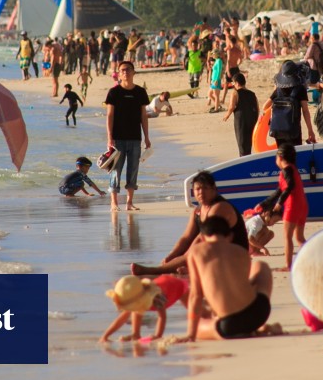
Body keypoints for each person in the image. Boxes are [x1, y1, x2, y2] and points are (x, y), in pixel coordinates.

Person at [130, 171, 248, 276]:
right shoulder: (197, 211)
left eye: (205, 188)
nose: (201, 192)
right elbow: (186, 238)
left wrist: (185, 258)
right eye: (198, 189)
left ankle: (155, 271)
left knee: (198, 249)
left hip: (233, 256)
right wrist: (172, 256)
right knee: (187, 251)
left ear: (214, 189)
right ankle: (189, 267)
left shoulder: (220, 207)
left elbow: (201, 239)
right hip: (215, 253)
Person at [181, 215, 275, 341]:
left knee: (199, 327)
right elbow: (241, 285)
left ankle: (217, 321)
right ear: (230, 236)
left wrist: (191, 335)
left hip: (229, 325)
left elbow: (195, 295)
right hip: (258, 313)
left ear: (202, 238)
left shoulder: (197, 251)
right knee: (261, 265)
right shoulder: (241, 252)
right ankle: (258, 327)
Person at [104, 61, 151, 212]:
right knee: (115, 170)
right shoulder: (114, 92)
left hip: (135, 138)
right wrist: (109, 138)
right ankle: (114, 203)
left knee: (133, 170)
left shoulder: (140, 92)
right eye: (122, 70)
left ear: (133, 72)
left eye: (128, 70)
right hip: (118, 138)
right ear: (118, 73)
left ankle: (129, 203)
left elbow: (144, 116)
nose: (125, 72)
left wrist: (147, 136)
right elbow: (109, 116)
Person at [100, 274, 189, 343]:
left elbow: (162, 317)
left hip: (177, 286)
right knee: (136, 310)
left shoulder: (156, 295)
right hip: (164, 281)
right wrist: (105, 336)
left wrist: (157, 335)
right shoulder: (136, 296)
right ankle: (136, 334)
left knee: (194, 309)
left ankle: (202, 319)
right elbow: (122, 319)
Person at [262, 60, 316, 148]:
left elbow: (265, 107)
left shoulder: (278, 90)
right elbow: (305, 111)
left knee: (282, 155)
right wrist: (310, 130)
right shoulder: (300, 90)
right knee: (295, 156)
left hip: (278, 130)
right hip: (293, 130)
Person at [271, 144, 307, 271]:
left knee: (287, 237)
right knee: (299, 238)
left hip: (293, 206)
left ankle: (288, 266)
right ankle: (315, 256)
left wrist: (279, 203)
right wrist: (264, 204)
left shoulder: (286, 171)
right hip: (302, 205)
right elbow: (279, 190)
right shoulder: (292, 169)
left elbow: (289, 187)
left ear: (280, 157)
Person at [223, 73, 259, 156]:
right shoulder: (252, 94)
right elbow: (257, 107)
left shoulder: (235, 93)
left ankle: (243, 160)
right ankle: (248, 158)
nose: (232, 84)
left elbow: (232, 106)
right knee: (248, 143)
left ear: (237, 83)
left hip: (241, 120)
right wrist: (256, 120)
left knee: (241, 143)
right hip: (252, 120)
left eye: (233, 82)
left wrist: (227, 115)